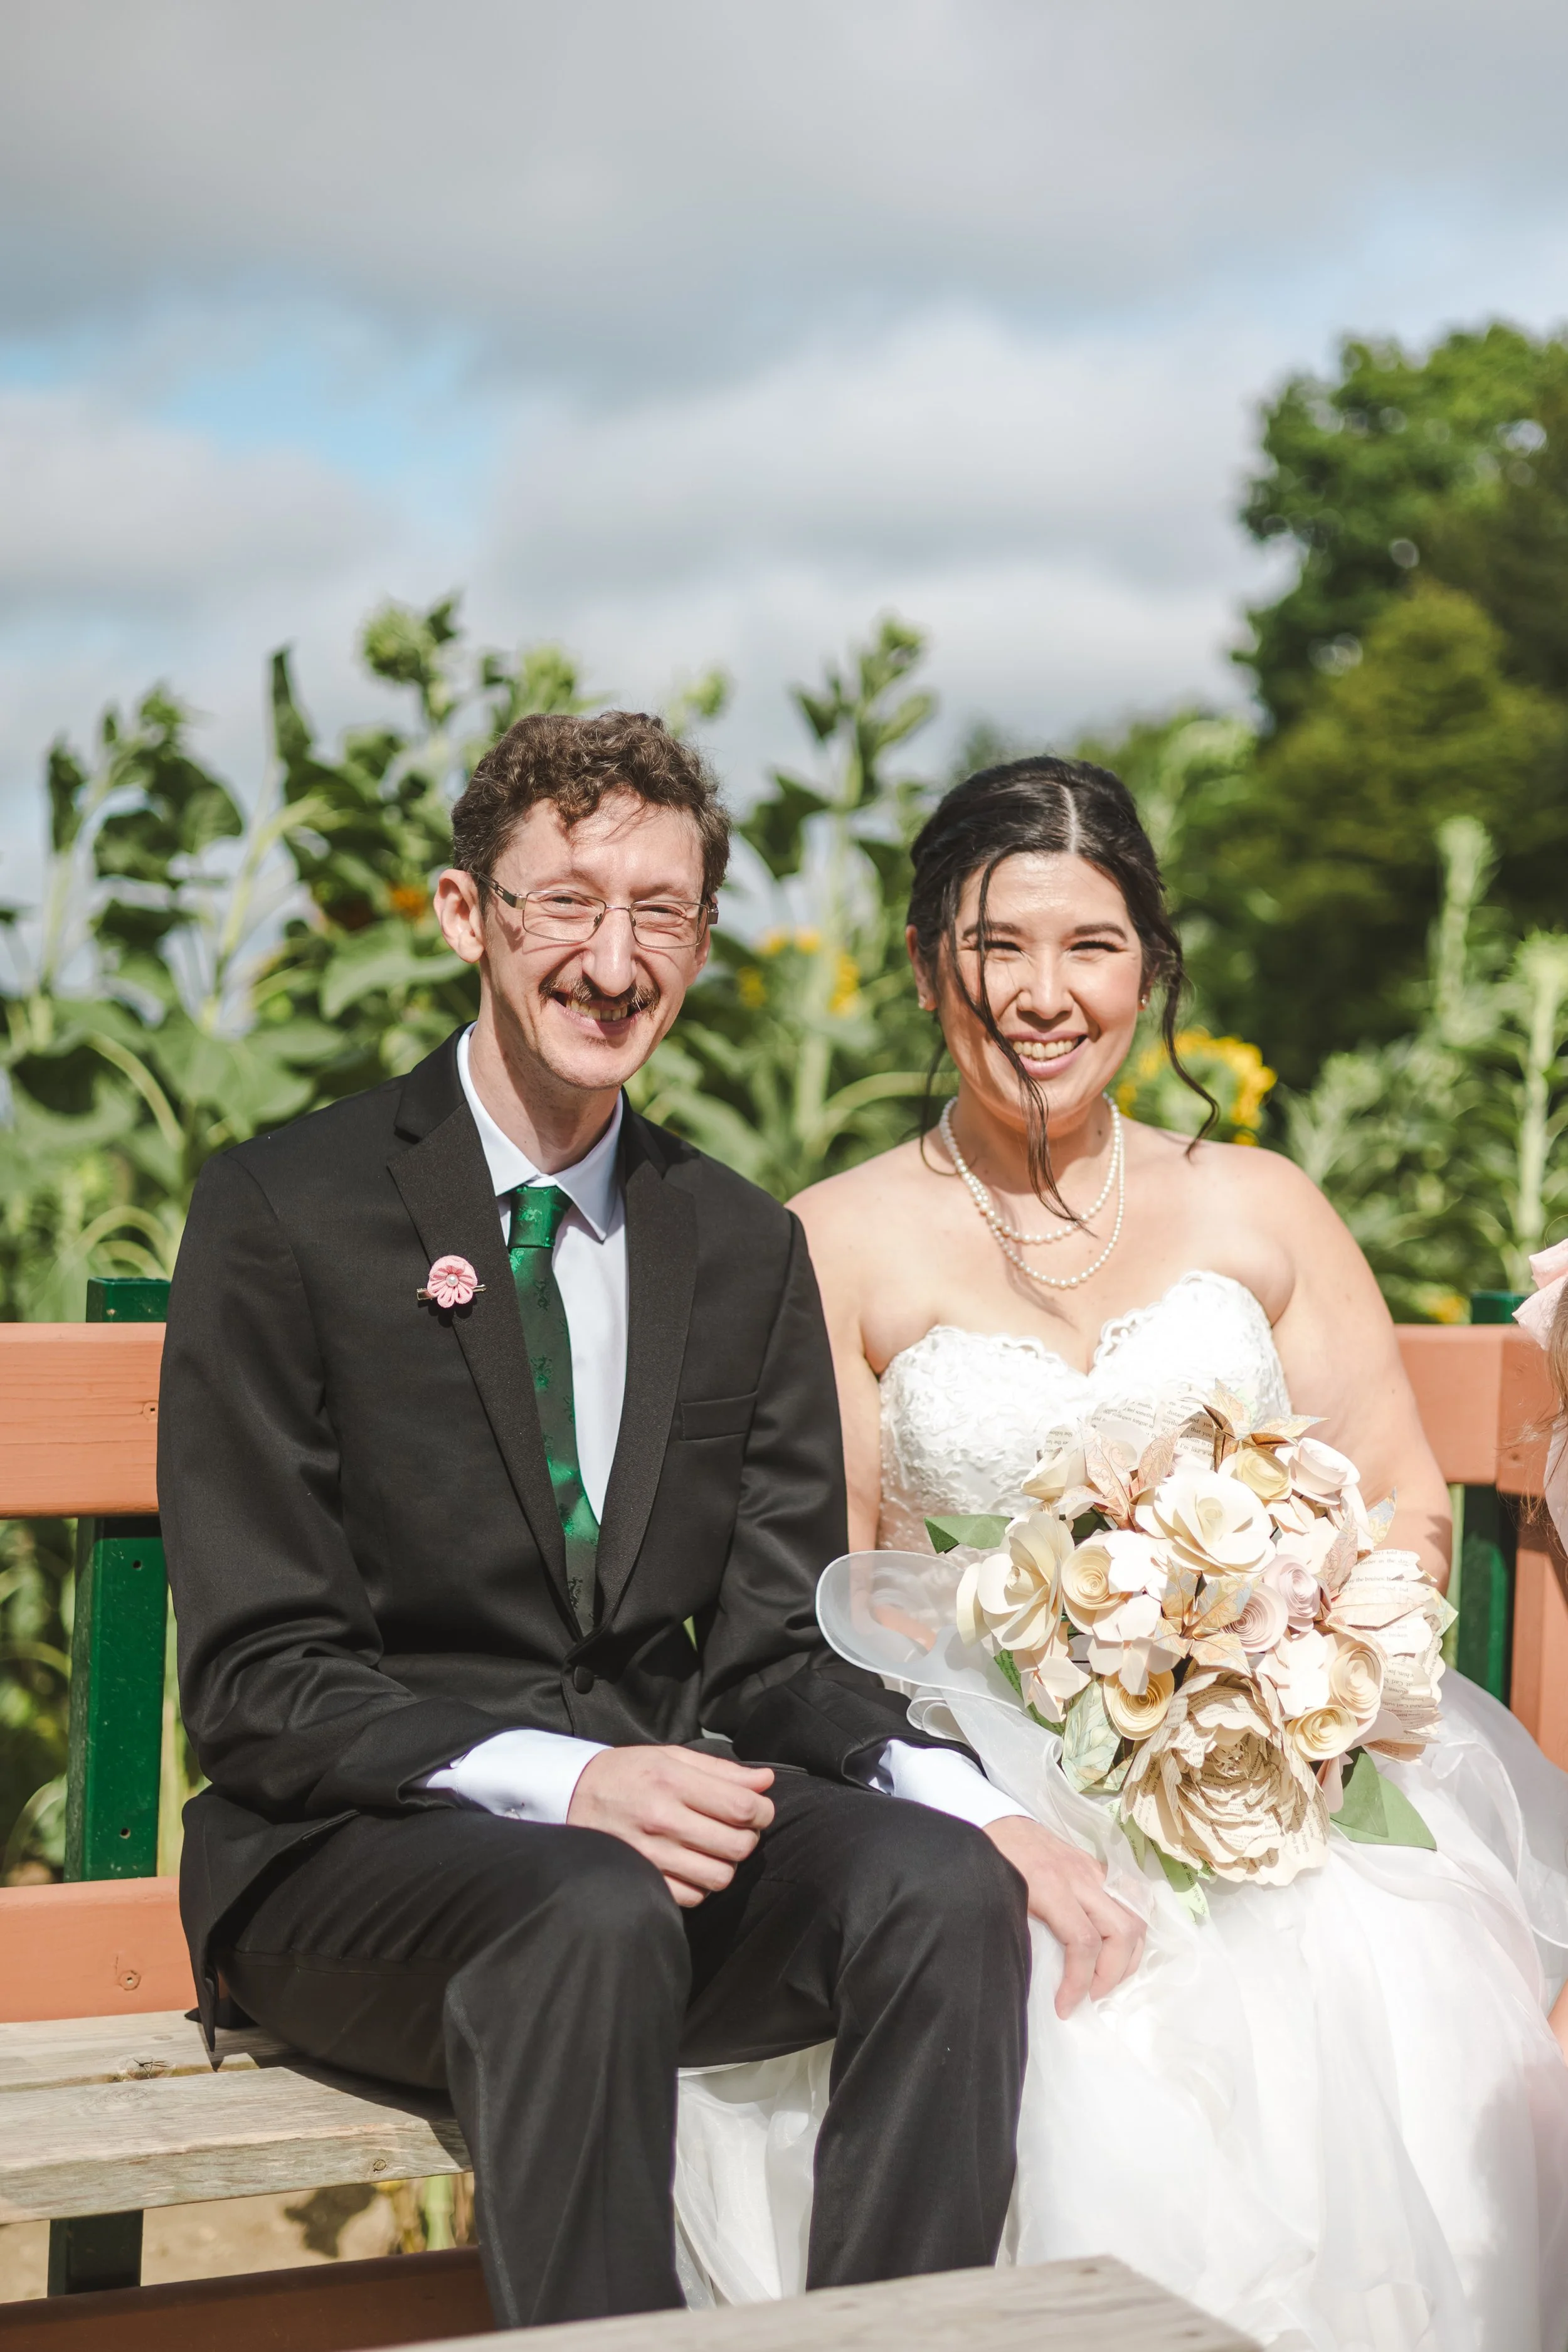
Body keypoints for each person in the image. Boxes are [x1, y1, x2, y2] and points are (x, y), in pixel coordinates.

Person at [673, 756, 1568, 2349]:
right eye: (993, 946)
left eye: (1087, 946)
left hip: (1280, 1794)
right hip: (986, 1793)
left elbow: (1397, 1502)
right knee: (1064, 2024)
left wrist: (1290, 1674)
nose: (1040, 994)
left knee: (1371, 1995)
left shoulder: (1260, 1208)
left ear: (1149, 968)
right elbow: (813, 1597)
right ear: (925, 963)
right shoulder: (825, 1239)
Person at [158, 711, 1033, 2331]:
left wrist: (976, 1806)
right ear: (460, 911)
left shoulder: (734, 1238)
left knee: (938, 1890)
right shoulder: (285, 1210)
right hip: (347, 1863)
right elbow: (259, 1680)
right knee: (588, 1896)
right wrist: (570, 1781)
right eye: (566, 902)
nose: (614, 959)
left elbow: (776, 1649)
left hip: (647, 1865)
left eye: (663, 912)